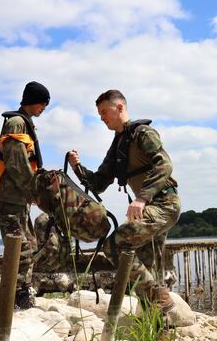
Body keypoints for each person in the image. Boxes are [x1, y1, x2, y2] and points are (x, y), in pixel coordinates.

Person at [68, 89, 179, 316]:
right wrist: (77, 168)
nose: (102, 118)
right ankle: (159, 327)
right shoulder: (119, 143)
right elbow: (99, 183)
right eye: (99, 114)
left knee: (114, 246)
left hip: (164, 203)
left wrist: (141, 198)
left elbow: (164, 164)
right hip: (150, 207)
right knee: (149, 266)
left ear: (119, 107)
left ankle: (159, 297)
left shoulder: (142, 133)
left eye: (104, 112)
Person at [0, 81, 50, 309]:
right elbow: (16, 162)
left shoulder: (25, 123)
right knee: (20, 247)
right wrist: (33, 190)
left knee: (28, 245)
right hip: (10, 197)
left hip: (19, 197)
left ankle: (21, 291)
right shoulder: (16, 123)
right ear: (34, 101)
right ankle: (16, 296)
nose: (43, 108)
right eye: (43, 104)